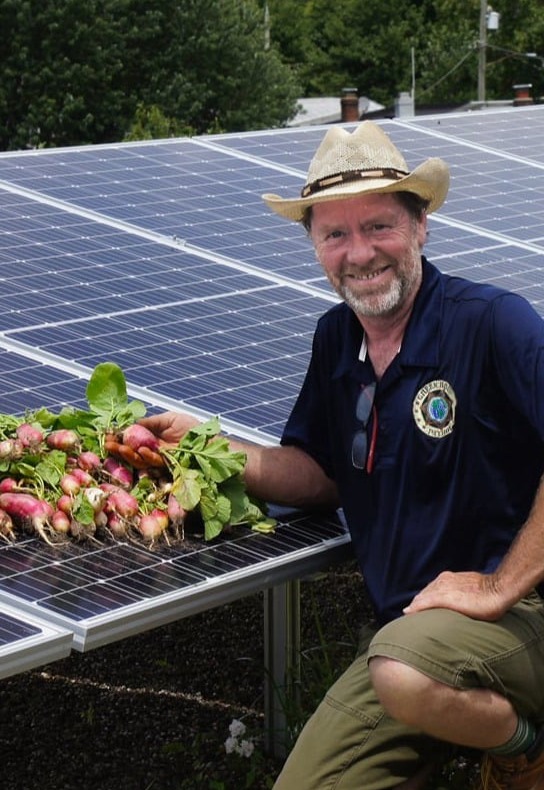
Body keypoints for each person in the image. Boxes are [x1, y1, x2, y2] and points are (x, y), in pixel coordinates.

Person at [135, 122, 544, 789]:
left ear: (420, 227)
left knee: (403, 670)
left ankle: (523, 753)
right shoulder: (336, 342)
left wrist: (500, 585)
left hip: (521, 619)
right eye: (335, 235)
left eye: (378, 226)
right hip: (408, 634)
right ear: (315, 245)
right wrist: (208, 447)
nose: (359, 253)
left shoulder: (492, 322)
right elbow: (320, 475)